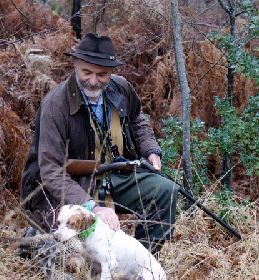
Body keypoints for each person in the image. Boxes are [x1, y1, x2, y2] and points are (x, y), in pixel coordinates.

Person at [21, 33, 179, 254]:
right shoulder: (55, 105)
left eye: (102, 74)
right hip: (72, 185)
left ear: (111, 72)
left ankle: (142, 263)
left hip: (115, 175)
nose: (94, 81)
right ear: (75, 65)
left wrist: (151, 150)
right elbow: (52, 171)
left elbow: (137, 120)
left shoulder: (120, 88)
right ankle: (35, 238)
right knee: (66, 257)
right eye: (87, 72)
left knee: (165, 190)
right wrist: (93, 207)